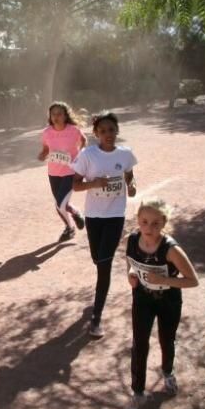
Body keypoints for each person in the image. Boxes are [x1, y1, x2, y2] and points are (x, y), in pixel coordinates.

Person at [124, 199, 199, 409]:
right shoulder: (131, 240)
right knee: (139, 343)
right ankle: (137, 392)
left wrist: (163, 280)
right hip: (142, 299)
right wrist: (130, 274)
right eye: (144, 222)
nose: (149, 228)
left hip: (168, 301)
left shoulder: (171, 249)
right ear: (138, 220)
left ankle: (167, 372)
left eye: (155, 223)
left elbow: (192, 280)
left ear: (164, 223)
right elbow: (130, 263)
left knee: (166, 339)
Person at [71, 112, 138, 339]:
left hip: (115, 215)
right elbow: (75, 185)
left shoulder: (125, 154)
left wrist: (132, 186)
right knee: (97, 258)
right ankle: (97, 307)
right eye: (103, 131)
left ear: (117, 131)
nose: (108, 134)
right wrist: (95, 183)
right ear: (96, 134)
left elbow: (129, 174)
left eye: (111, 130)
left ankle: (96, 318)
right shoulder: (88, 155)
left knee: (104, 264)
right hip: (93, 216)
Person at [38, 101, 87, 242]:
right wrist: (43, 154)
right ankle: (75, 213)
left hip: (70, 172)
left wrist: (81, 156)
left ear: (65, 116)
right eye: (53, 114)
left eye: (59, 114)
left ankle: (69, 229)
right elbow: (46, 148)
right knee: (62, 204)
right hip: (53, 172)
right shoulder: (47, 132)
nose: (56, 117)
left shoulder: (73, 130)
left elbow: (83, 141)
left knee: (59, 204)